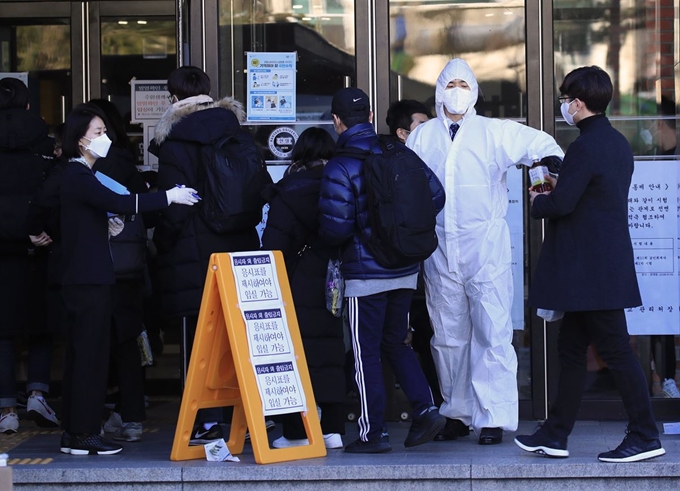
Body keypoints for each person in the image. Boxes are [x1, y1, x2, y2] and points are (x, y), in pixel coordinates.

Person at [407, 58, 564, 445]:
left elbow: (540, 143)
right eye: (451, 83)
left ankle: (492, 417)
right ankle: (457, 413)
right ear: (439, 88)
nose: (457, 90)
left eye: (464, 83)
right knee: (447, 335)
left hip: (486, 248)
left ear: (474, 90)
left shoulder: (494, 132)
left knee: (493, 332)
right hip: (440, 247)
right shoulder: (423, 136)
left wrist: (549, 163)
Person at [514, 66, 666, 463]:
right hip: (599, 267)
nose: (564, 106)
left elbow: (562, 203)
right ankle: (555, 432)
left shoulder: (585, 145)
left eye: (565, 100)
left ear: (578, 104)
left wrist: (538, 200)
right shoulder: (616, 142)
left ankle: (646, 434)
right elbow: (593, 196)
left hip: (590, 270)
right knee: (571, 348)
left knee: (615, 350)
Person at [58, 102, 198, 456]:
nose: (105, 139)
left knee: (82, 356)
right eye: (98, 134)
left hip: (83, 279)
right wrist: (169, 196)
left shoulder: (77, 176)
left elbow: (98, 213)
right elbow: (122, 202)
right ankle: (85, 434)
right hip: (89, 281)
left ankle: (74, 432)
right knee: (90, 358)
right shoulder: (77, 175)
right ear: (80, 141)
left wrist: (104, 224)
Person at [318, 88, 446, 453]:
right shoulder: (398, 151)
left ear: (337, 121)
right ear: (371, 116)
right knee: (396, 342)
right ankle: (425, 409)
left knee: (364, 352)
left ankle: (372, 433)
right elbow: (436, 196)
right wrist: (398, 233)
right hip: (405, 269)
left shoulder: (340, 165)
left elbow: (336, 227)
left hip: (364, 274)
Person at [149, 66, 266, 443]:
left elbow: (175, 205)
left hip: (194, 250)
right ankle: (244, 416)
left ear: (173, 98)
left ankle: (207, 418)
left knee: (199, 337)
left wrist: (161, 242)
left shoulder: (176, 141)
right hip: (240, 245)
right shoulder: (237, 132)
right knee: (239, 335)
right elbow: (260, 188)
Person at [261, 127, 345, 450]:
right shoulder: (341, 185)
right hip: (335, 278)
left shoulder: (289, 190)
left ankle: (296, 431)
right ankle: (333, 428)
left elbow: (274, 245)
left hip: (296, 282)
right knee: (330, 350)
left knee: (294, 354)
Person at [89, 98, 151, 442]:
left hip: (94, 265)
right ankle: (132, 416)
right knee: (127, 340)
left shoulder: (80, 167)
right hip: (126, 264)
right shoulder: (124, 161)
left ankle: (91, 416)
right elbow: (143, 205)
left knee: (91, 342)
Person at [0, 77, 59, 434]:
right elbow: (53, 193)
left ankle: (6, 409)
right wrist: (43, 231)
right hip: (39, 246)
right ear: (26, 105)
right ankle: (38, 392)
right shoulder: (44, 144)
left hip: (1, 251)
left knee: (2, 332)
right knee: (40, 325)